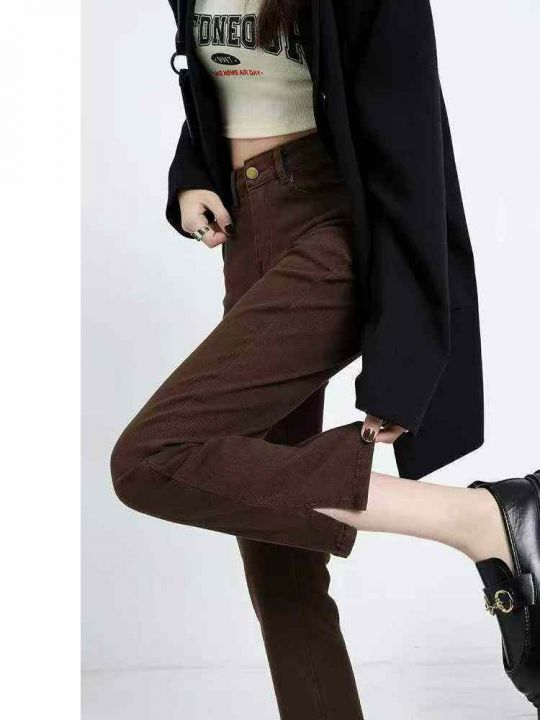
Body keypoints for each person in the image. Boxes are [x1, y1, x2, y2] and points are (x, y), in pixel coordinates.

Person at [110, 0, 540, 716]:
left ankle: (479, 518)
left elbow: (409, 147)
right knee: (278, 565)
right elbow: (220, 76)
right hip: (248, 230)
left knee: (150, 459)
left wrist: (403, 359)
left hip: (336, 225)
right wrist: (192, 172)